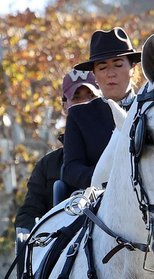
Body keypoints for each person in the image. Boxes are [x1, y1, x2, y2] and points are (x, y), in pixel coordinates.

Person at [15, 70, 98, 236]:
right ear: (64, 107)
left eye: (91, 96)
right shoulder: (47, 166)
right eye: (76, 98)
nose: (84, 103)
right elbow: (29, 215)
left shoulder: (119, 152)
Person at [59, 27, 143, 193]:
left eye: (118, 65)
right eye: (102, 68)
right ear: (95, 75)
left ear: (132, 69)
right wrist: (109, 179)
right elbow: (71, 168)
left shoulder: (149, 110)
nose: (111, 73)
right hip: (98, 200)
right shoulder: (79, 115)